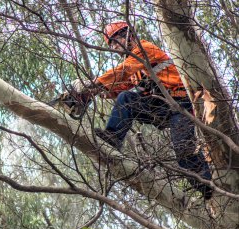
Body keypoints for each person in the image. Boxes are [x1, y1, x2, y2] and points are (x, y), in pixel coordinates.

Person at [88, 20, 213, 200]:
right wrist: (98, 91)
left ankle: (208, 185)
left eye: (117, 41)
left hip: (181, 104)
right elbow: (121, 85)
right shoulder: (134, 67)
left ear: (128, 35)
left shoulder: (144, 49)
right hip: (160, 108)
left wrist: (96, 82)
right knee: (126, 98)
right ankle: (113, 137)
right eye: (112, 44)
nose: (115, 47)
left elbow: (123, 71)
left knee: (183, 150)